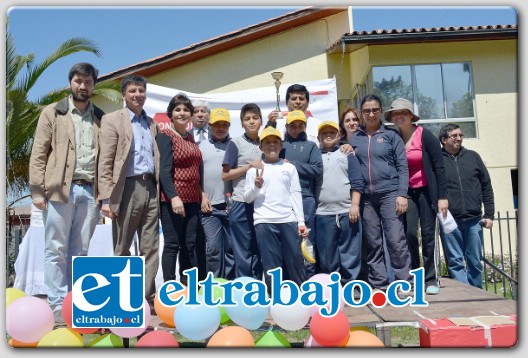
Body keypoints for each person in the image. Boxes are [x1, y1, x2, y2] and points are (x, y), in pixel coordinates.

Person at [29, 62, 104, 322]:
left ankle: (76, 303)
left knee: (81, 252)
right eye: (78, 81)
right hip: (60, 190)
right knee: (55, 250)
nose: (83, 86)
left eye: (88, 82)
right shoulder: (53, 113)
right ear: (70, 83)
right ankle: (59, 306)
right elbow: (39, 153)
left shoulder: (100, 117)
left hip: (90, 192)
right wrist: (37, 191)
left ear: (94, 84)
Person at [98, 74, 160, 305]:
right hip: (127, 187)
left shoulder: (151, 123)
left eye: (141, 91)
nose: (137, 95)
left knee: (150, 246)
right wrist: (105, 199)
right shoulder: (112, 120)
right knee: (122, 245)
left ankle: (144, 297)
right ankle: (124, 295)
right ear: (124, 94)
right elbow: (105, 161)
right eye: (132, 91)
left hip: (150, 187)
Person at [350, 94, 413, 291]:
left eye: (375, 110)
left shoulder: (391, 136)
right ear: (362, 113)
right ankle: (379, 284)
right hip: (367, 199)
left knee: (396, 240)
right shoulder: (355, 138)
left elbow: (403, 167)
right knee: (373, 242)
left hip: (389, 194)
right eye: (367, 110)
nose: (371, 114)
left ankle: (404, 284)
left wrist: (402, 194)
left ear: (381, 111)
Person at [386, 98, 448, 295]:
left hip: (427, 192)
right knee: (409, 234)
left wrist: (442, 197)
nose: (398, 116)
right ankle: (414, 276)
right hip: (405, 193)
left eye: (402, 113)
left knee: (429, 235)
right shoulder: (392, 136)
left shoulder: (425, 135)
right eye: (395, 114)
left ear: (411, 115)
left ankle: (431, 278)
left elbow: (439, 168)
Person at [244, 126, 308, 291]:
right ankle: (275, 298)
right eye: (267, 142)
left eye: (275, 142)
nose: (271, 145)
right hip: (264, 222)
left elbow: (295, 194)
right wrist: (256, 187)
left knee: (295, 260)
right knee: (271, 264)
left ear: (281, 146)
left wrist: (301, 222)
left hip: (288, 220)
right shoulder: (254, 170)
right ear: (261, 147)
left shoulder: (289, 168)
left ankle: (303, 295)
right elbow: (247, 198)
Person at [438, 124, 495, 289]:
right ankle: (464, 294)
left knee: (475, 261)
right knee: (455, 261)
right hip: (448, 217)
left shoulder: (473, 157)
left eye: (460, 135)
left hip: (474, 219)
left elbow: (486, 186)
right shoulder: (438, 160)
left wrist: (489, 215)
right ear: (443, 140)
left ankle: (477, 293)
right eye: (454, 136)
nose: (459, 138)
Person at [269, 110, 323, 276]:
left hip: (305, 199)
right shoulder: (280, 145)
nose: (296, 129)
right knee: (286, 242)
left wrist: (292, 165)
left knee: (306, 240)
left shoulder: (311, 146)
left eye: (300, 126)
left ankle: (308, 279)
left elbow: (317, 169)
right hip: (282, 200)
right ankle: (288, 281)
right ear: (286, 127)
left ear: (305, 127)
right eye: (293, 126)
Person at [315, 121, 363, 285]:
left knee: (350, 252)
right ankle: (331, 287)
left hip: (346, 211)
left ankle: (351, 285)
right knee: (327, 255)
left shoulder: (348, 154)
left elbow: (357, 181)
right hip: (322, 214)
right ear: (319, 137)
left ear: (338, 135)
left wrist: (354, 205)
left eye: (332, 132)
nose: (328, 135)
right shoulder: (314, 157)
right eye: (324, 132)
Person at [222, 103, 264, 280]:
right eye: (247, 119)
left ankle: (257, 285)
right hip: (240, 201)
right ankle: (245, 286)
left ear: (261, 120)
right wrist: (248, 166)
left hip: (263, 203)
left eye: (255, 118)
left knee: (260, 247)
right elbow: (225, 175)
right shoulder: (235, 143)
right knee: (242, 248)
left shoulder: (268, 142)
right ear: (241, 123)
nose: (252, 122)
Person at [199, 107, 236, 280]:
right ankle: (213, 284)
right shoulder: (201, 147)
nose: (220, 128)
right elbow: (195, 177)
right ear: (209, 125)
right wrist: (202, 196)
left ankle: (228, 284)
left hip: (232, 206)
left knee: (230, 248)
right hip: (209, 208)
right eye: (216, 125)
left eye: (224, 125)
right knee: (213, 248)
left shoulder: (235, 145)